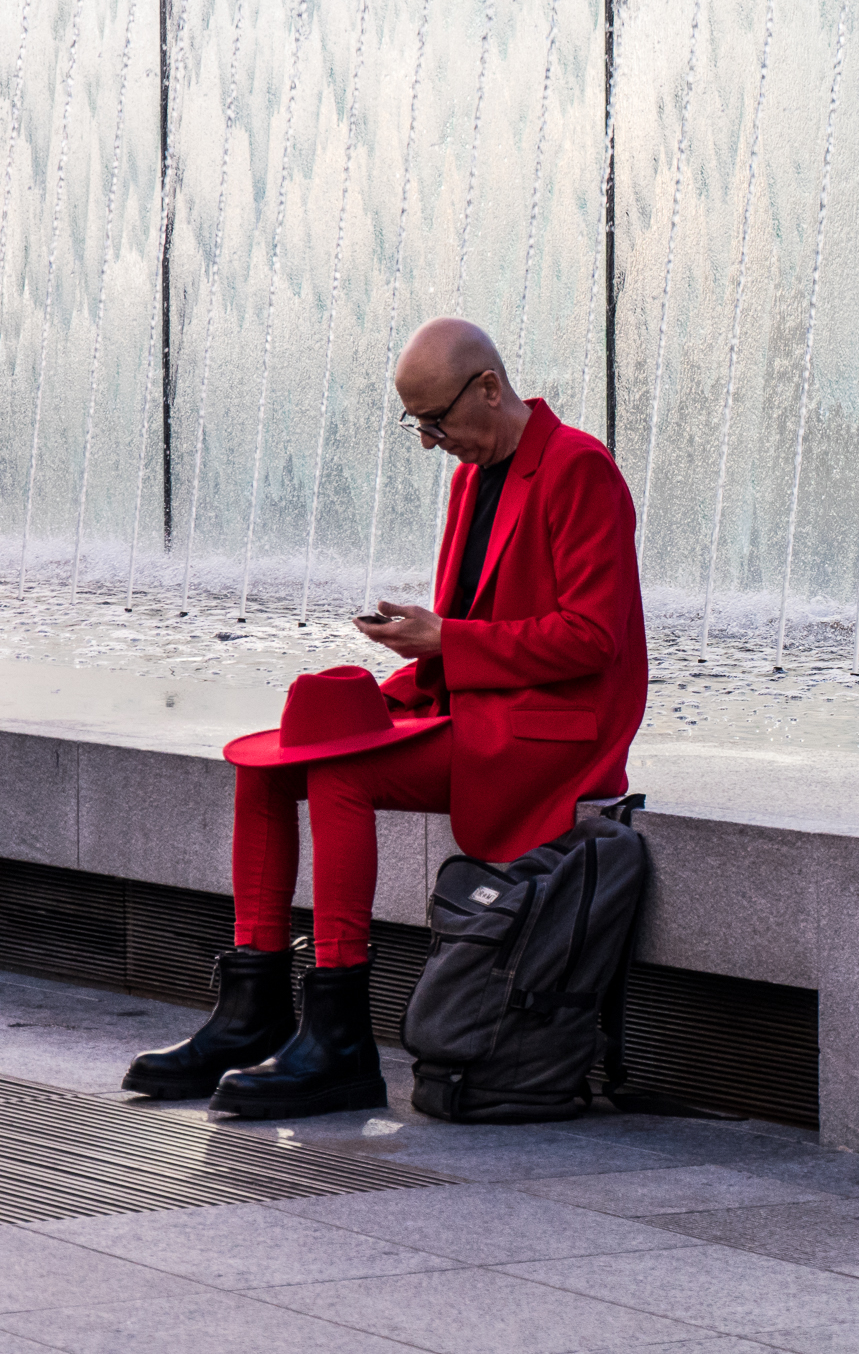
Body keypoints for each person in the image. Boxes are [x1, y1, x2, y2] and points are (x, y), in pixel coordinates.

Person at [124, 319, 648, 1119]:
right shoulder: (472, 479)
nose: (432, 441)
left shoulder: (580, 468)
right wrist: (412, 663)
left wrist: (446, 640)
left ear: (488, 388)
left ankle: (340, 1037)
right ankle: (250, 1011)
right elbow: (473, 628)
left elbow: (592, 638)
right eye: (418, 426)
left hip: (549, 736)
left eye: (437, 420)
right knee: (271, 763)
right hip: (479, 708)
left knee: (343, 774)